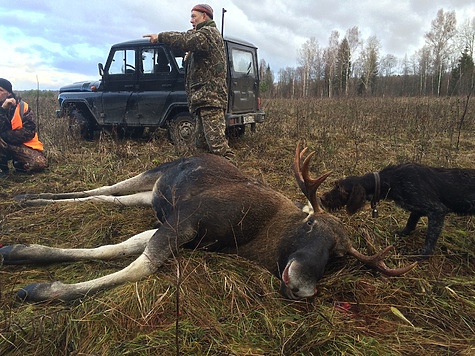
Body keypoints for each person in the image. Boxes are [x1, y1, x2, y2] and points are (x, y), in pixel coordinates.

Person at [144, 4, 234, 159]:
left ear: (204, 17)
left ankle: (235, 180)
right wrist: (188, 58)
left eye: (194, 16)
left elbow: (185, 39)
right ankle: (208, 180)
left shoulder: (208, 33)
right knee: (202, 147)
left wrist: (160, 37)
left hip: (210, 101)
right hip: (202, 101)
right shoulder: (202, 36)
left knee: (219, 149)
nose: (191, 20)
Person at [0, 78, 48, 176]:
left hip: (20, 145)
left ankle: (18, 163)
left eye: (0, 90)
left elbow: (29, 131)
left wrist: (5, 136)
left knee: (39, 164)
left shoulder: (22, 107)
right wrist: (2, 110)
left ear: (8, 93)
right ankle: (3, 169)